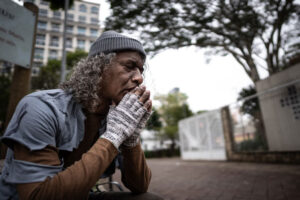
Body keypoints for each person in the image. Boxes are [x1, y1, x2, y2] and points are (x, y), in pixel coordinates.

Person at [0, 31, 163, 200]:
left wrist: (131, 137)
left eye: (140, 70)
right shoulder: (42, 107)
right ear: (99, 67)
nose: (139, 78)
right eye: (129, 66)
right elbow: (37, 196)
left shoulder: (117, 116)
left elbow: (139, 185)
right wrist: (114, 136)